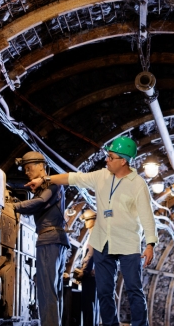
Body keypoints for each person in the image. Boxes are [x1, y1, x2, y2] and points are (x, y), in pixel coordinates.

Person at [25, 136, 157, 326]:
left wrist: (150, 244)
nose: (107, 160)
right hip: (102, 241)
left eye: (111, 157)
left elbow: (147, 216)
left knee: (134, 289)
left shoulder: (138, 184)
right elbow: (73, 178)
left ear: (123, 161)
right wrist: (44, 179)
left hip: (128, 243)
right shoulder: (101, 176)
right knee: (104, 291)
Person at [14, 151, 71, 326]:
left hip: (49, 239)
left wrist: (13, 205)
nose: (26, 172)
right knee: (54, 292)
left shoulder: (52, 185)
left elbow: (38, 202)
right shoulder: (50, 187)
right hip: (57, 240)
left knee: (47, 291)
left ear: (41, 166)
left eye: (29, 168)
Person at [71, 209, 99, 326]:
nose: (86, 223)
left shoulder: (94, 235)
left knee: (88, 306)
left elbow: (90, 254)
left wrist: (84, 272)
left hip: (90, 277)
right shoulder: (93, 234)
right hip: (94, 276)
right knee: (92, 305)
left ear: (93, 221)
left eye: (87, 220)